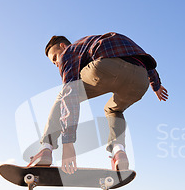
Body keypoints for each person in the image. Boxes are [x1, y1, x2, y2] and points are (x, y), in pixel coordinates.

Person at [28, 32, 168, 174]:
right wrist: (156, 86)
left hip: (105, 67)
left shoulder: (69, 51)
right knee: (114, 110)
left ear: (63, 46)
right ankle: (119, 152)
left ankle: (46, 148)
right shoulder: (98, 41)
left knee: (64, 95)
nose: (57, 63)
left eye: (54, 58)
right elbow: (146, 62)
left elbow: (70, 93)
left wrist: (68, 143)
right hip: (140, 79)